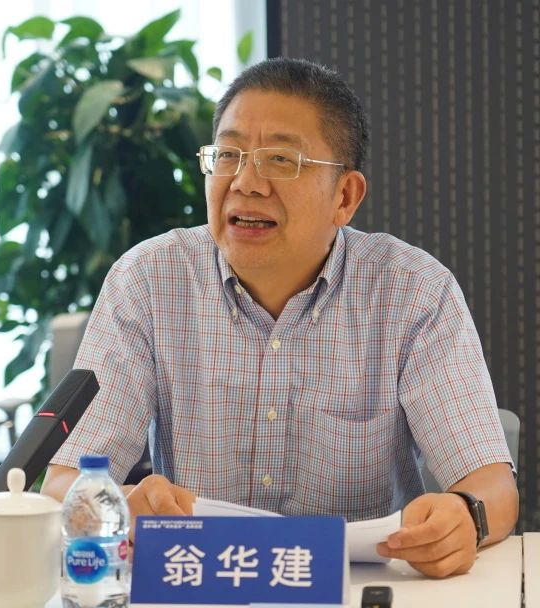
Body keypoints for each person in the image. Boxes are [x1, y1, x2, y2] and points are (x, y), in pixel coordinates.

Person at [42, 57, 518, 578]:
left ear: (344, 197)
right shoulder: (148, 281)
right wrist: (117, 506)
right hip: (203, 582)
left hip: (359, 586)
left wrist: (464, 518)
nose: (246, 183)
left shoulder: (414, 291)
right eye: (228, 155)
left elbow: (492, 487)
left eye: (280, 160)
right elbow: (64, 482)